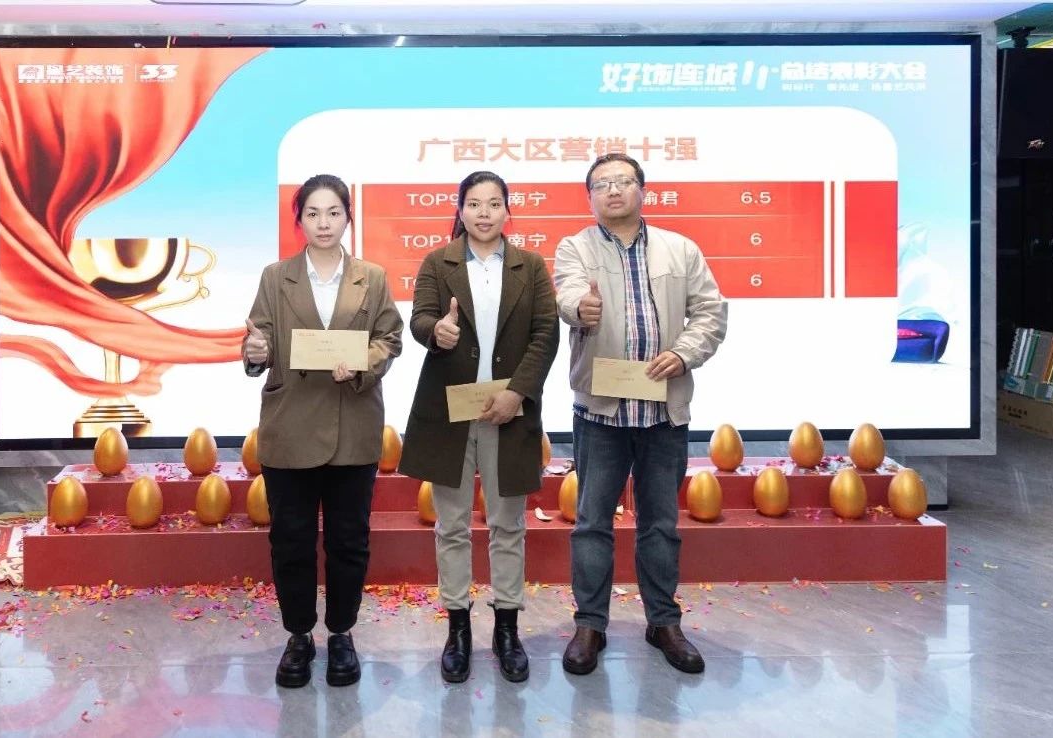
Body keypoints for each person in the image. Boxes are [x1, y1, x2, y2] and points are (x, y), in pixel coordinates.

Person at [553, 153, 728, 676]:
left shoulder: (681, 248)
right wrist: (579, 309)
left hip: (663, 413)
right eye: (602, 184)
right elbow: (566, 292)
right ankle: (590, 625)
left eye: (623, 181)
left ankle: (663, 622)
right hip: (600, 415)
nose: (613, 190)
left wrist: (684, 353)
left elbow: (711, 312)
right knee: (592, 524)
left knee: (661, 525)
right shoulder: (575, 248)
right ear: (590, 197)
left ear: (642, 190)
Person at [243, 174, 403, 688]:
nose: (324, 223)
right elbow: (259, 339)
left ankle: (341, 634)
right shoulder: (276, 277)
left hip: (352, 426)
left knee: (348, 540)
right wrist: (256, 353)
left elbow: (390, 338)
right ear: (300, 221)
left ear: (348, 217)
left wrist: (362, 362)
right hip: (290, 427)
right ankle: (298, 635)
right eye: (313, 213)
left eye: (333, 212)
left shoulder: (371, 277)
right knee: (290, 540)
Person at [400, 171, 559, 684]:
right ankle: (458, 628)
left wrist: (517, 393)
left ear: (508, 210)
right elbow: (419, 318)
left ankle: (507, 628)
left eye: (493, 204)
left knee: (508, 524)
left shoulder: (530, 266)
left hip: (508, 412)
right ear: (460, 210)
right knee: (450, 525)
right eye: (474, 204)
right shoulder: (437, 262)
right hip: (450, 410)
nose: (484, 213)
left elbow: (546, 333)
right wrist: (436, 331)